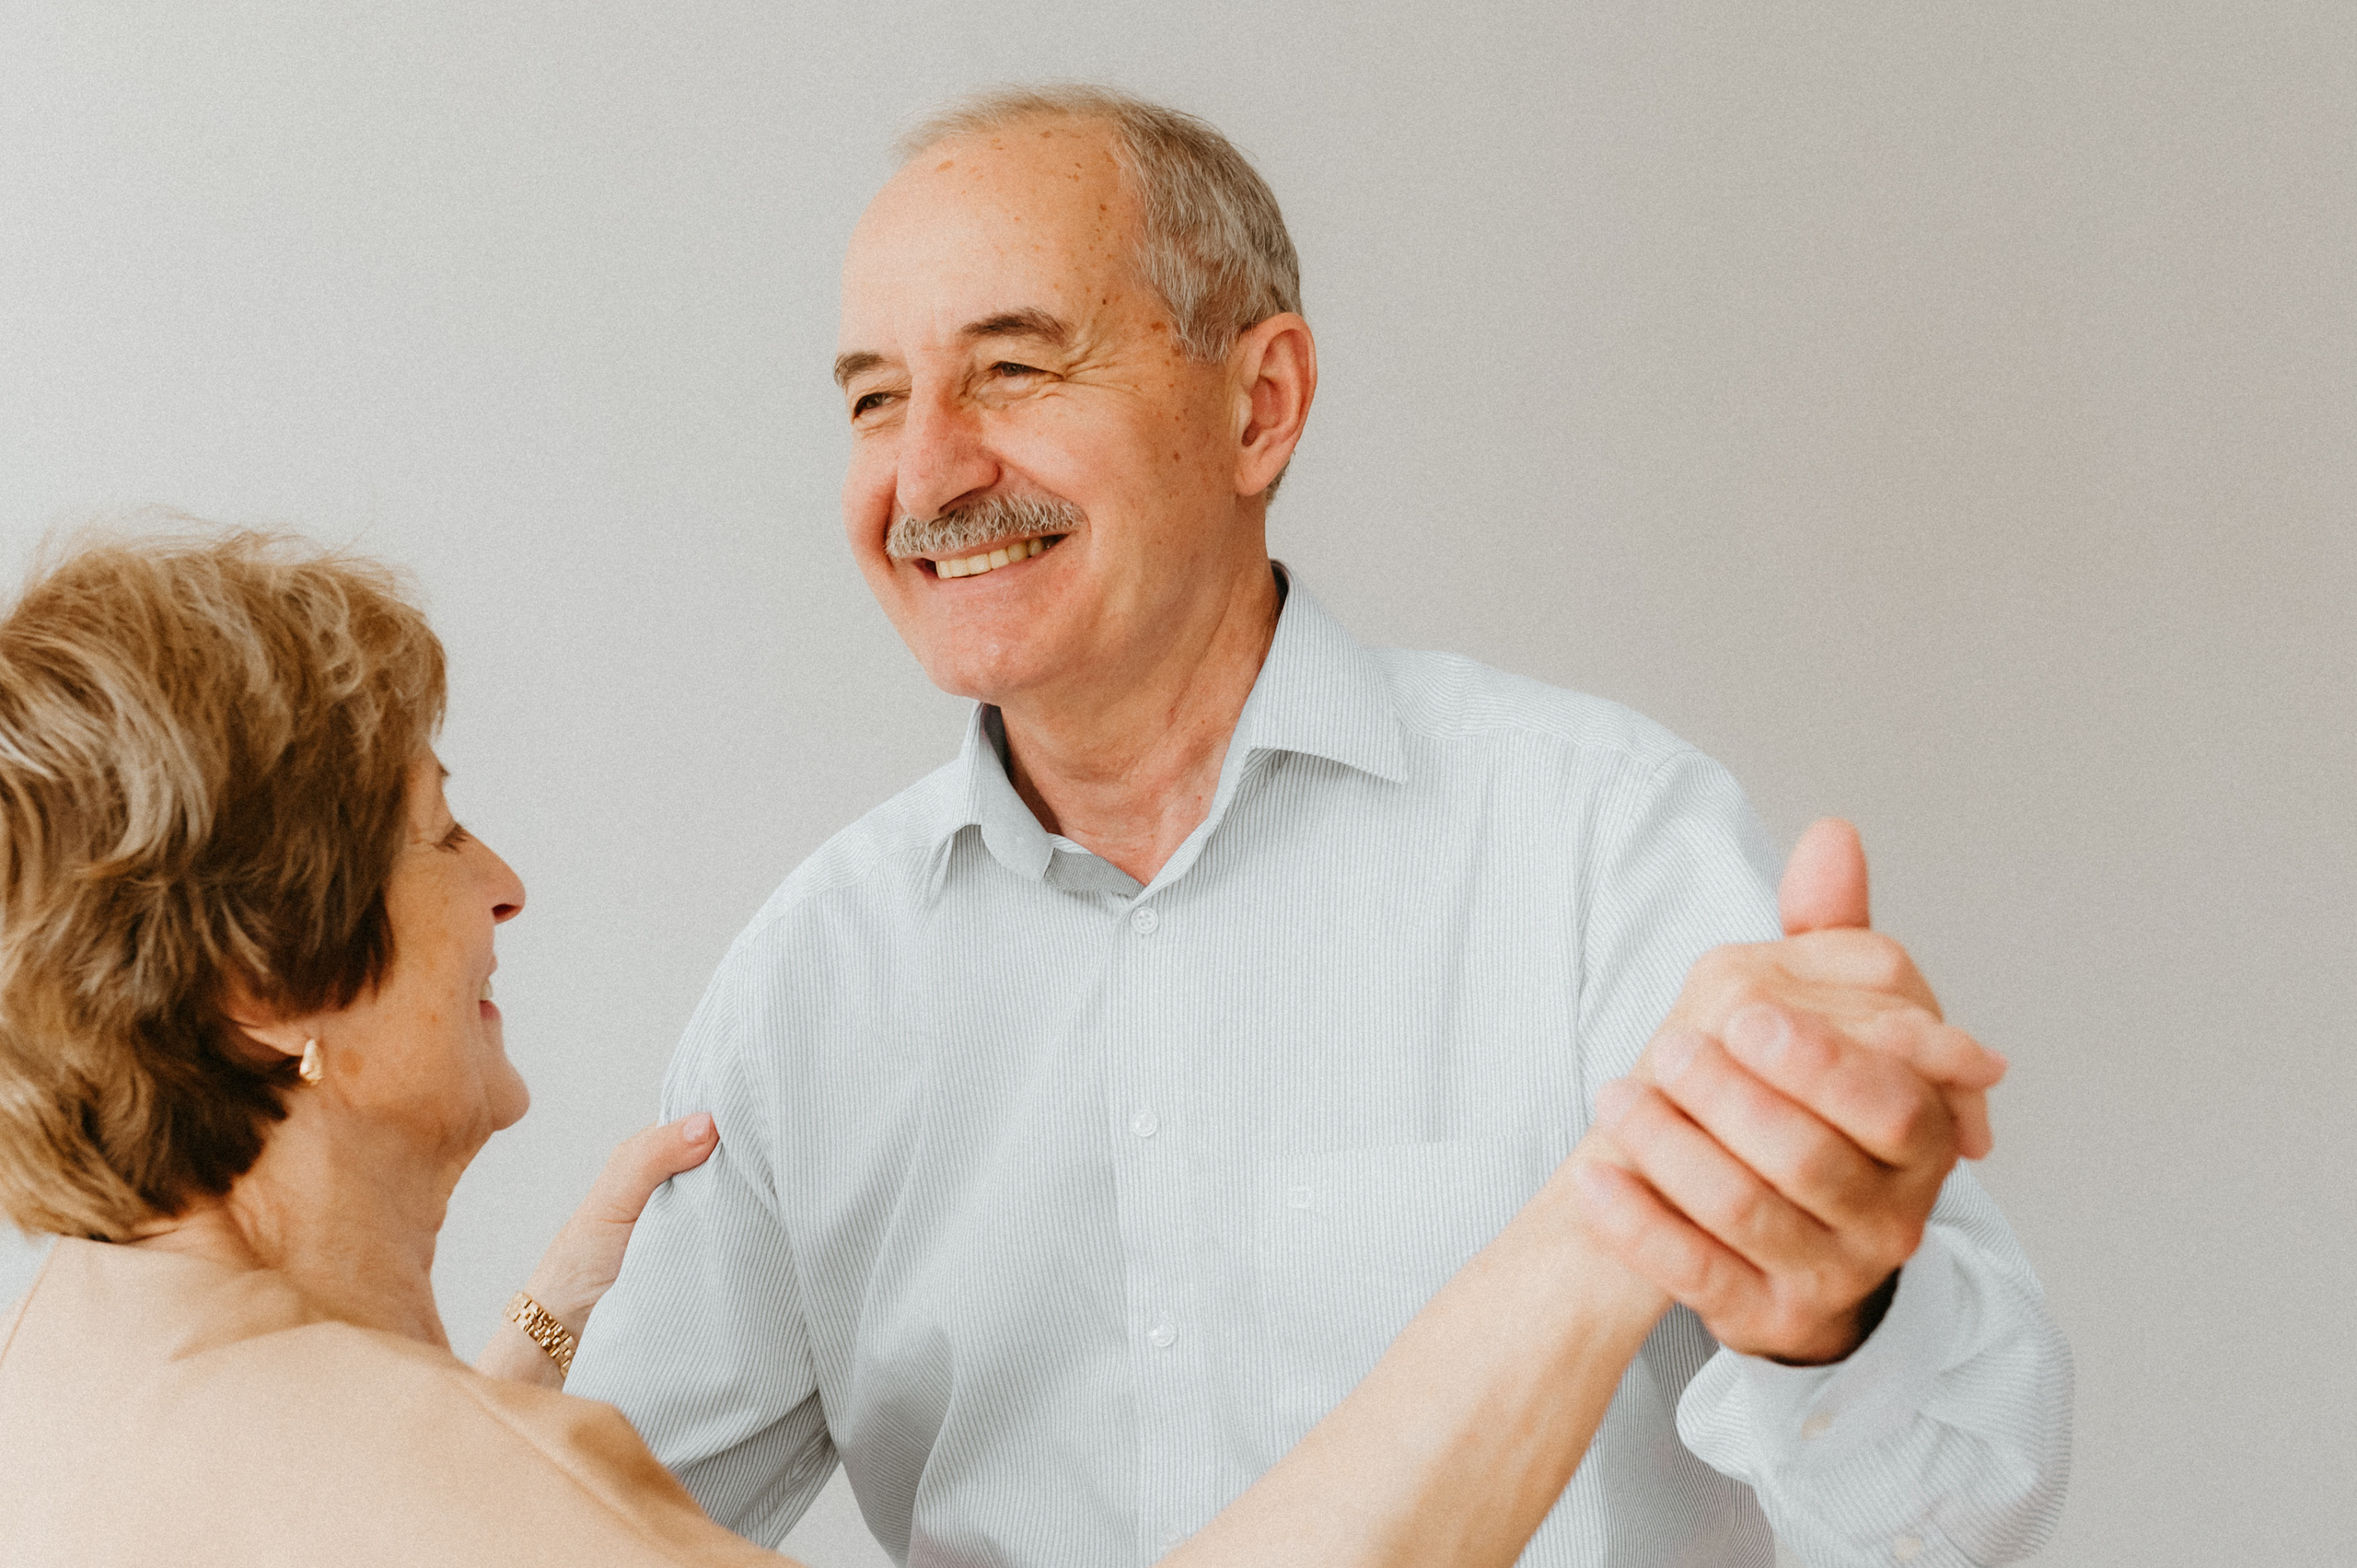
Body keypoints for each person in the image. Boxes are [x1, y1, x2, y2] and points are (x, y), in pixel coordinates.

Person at [569, 85, 2073, 1568]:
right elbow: (572, 1539)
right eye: (875, 399)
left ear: (1259, 404)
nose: (928, 472)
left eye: (1014, 369)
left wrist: (1830, 1316)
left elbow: (1971, 1505)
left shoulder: (1600, 848)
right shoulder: (809, 987)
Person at [0, 527, 1734, 1567]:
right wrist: (1606, 1224)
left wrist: (520, 1354)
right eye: (441, 834)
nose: (507, 887)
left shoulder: (71, 1370)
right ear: (261, 986)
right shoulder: (478, 1494)